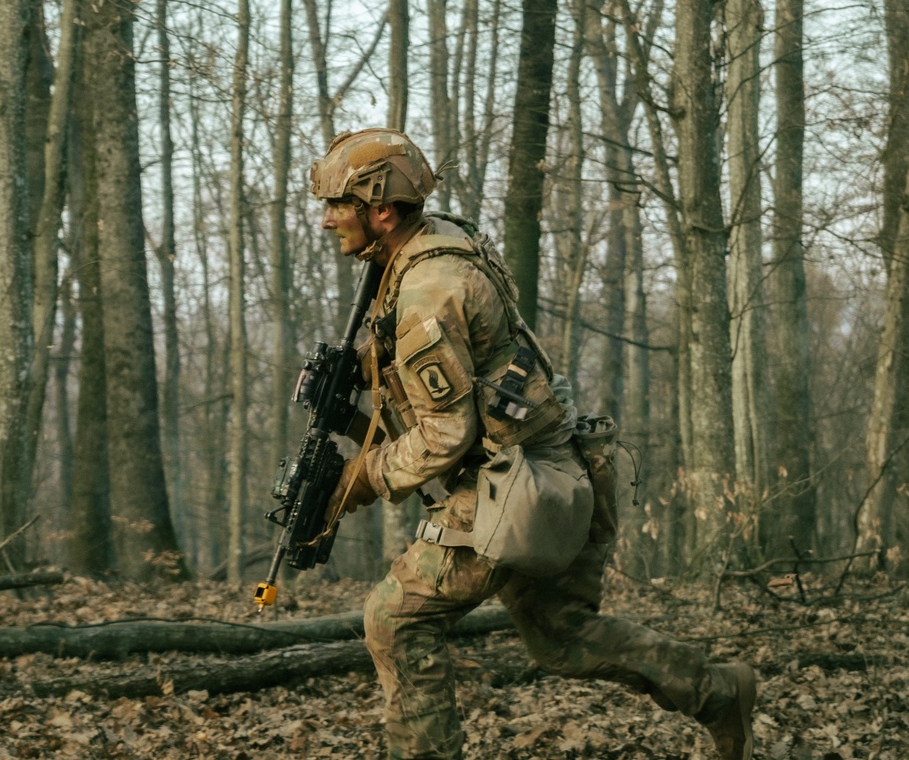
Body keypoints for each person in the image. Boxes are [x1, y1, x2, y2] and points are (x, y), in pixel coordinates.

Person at [310, 128, 756, 760]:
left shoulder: (426, 289)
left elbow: (444, 436)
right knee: (561, 635)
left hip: (516, 485)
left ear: (381, 210)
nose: (327, 220)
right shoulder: (433, 243)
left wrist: (361, 476)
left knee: (395, 618)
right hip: (551, 466)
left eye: (338, 204)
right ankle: (716, 692)